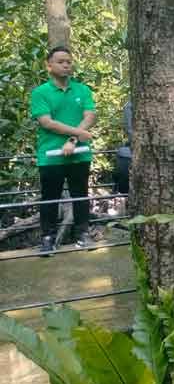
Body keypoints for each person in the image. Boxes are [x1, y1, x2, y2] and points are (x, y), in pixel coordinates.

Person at [30, 46, 97, 253]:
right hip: (50, 156)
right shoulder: (40, 92)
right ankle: (48, 239)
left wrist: (72, 140)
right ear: (48, 66)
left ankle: (83, 235)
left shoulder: (82, 89)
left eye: (69, 61)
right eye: (60, 61)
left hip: (80, 154)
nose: (66, 65)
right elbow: (47, 122)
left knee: (81, 195)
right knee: (50, 197)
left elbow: (90, 116)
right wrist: (78, 134)